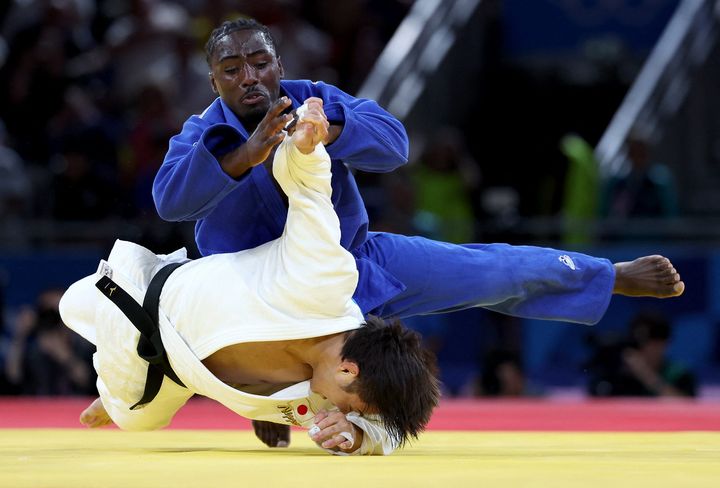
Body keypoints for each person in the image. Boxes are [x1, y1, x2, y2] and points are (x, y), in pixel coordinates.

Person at [152, 18, 686, 443]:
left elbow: (394, 144)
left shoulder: (312, 95)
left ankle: (603, 275)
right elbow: (170, 201)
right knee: (276, 362)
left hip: (351, 261)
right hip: (264, 299)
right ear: (214, 80)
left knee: (487, 268)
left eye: (260, 62)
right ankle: (273, 399)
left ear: (278, 65)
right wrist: (247, 154)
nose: (249, 77)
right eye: (231, 68)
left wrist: (329, 129)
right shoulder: (204, 133)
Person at [60, 100, 439, 456]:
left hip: (166, 384)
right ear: (347, 370)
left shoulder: (344, 384)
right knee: (69, 306)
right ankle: (110, 383)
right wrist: (305, 147)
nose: (344, 413)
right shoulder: (323, 280)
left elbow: (389, 426)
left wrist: (357, 436)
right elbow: (312, 194)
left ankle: (114, 394)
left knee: (138, 419)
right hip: (145, 300)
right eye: (351, 408)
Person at [587, 311, 696, 398]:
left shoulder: (679, 375)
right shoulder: (619, 377)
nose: (640, 348)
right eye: (636, 342)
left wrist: (645, 375)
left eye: (646, 341)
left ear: (664, 343)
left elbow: (688, 409)